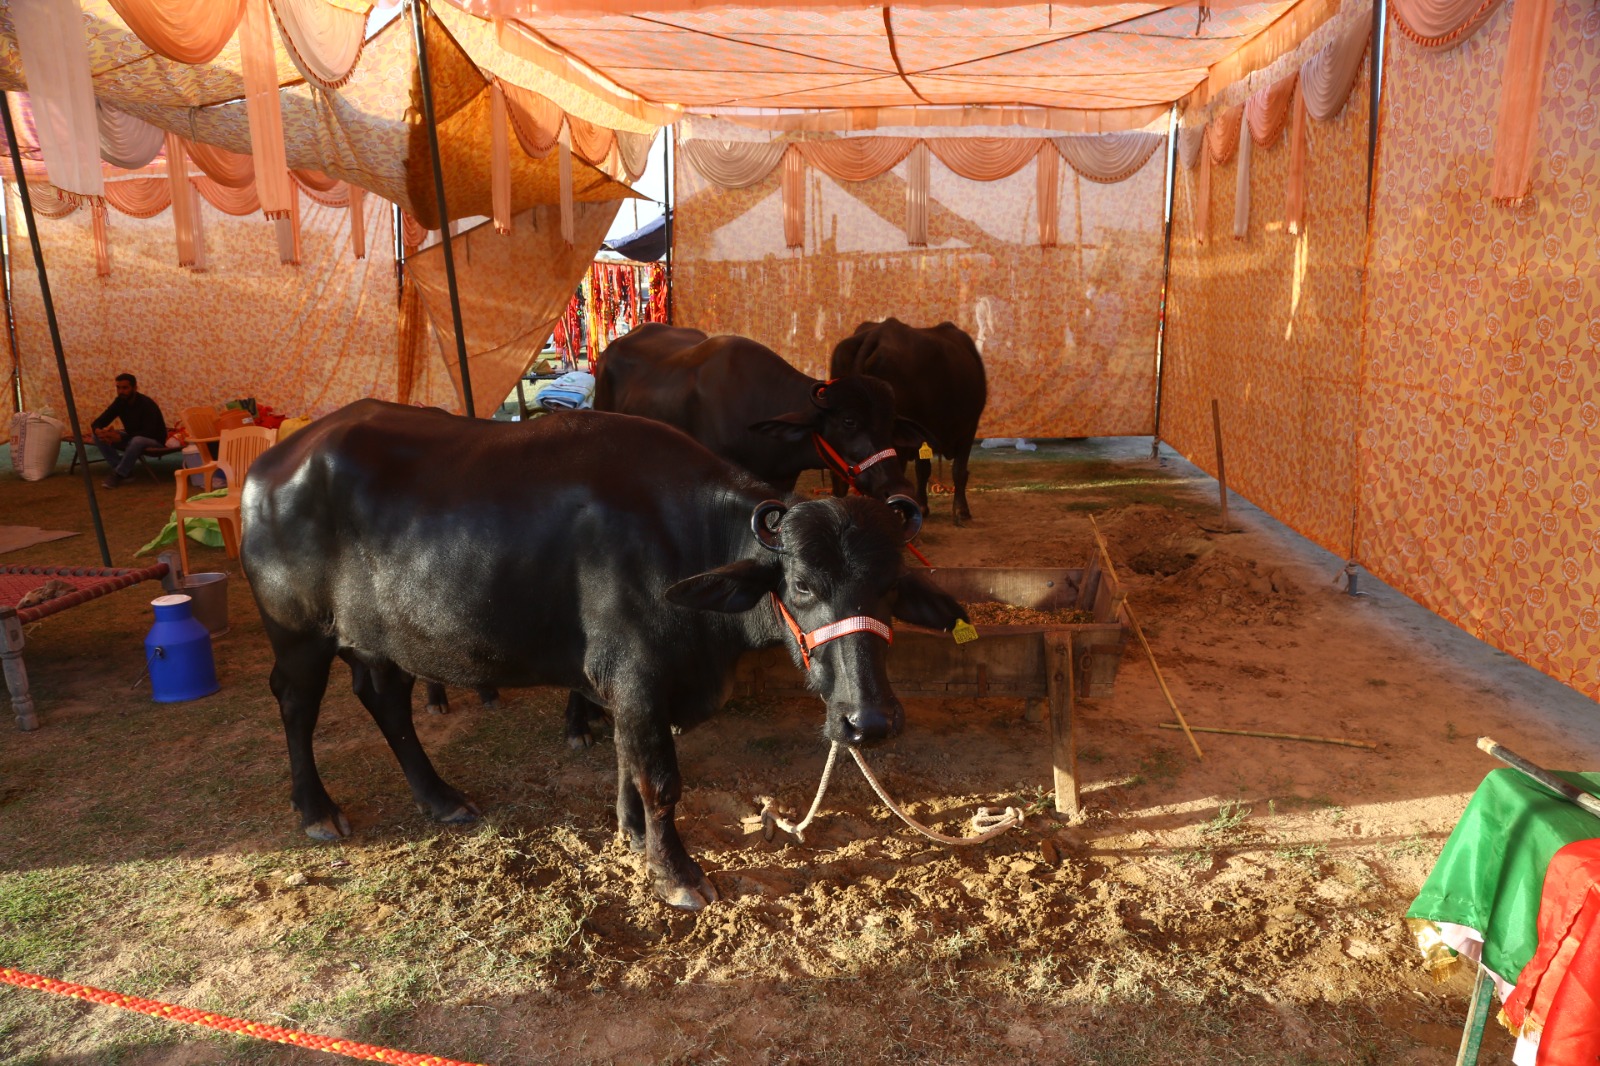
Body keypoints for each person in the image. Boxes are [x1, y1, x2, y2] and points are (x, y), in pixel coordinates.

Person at [88, 373, 167, 488]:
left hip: (154, 440)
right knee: (97, 437)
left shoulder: (147, 404)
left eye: (125, 388)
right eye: (118, 388)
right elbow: (100, 420)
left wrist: (121, 437)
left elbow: (150, 431)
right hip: (131, 436)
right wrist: (99, 430)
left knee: (137, 440)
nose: (121, 391)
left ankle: (118, 474)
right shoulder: (120, 402)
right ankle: (124, 471)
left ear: (134, 388)